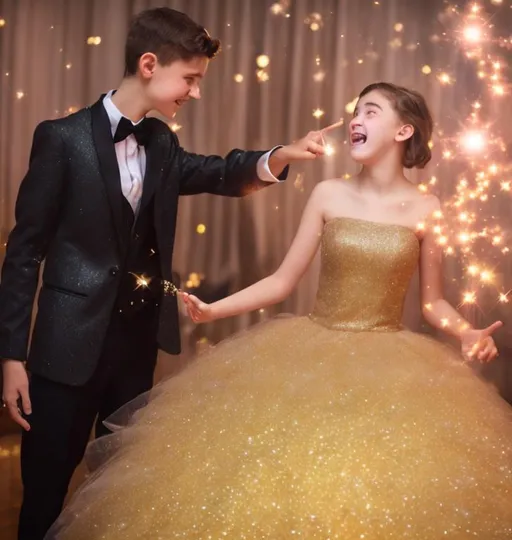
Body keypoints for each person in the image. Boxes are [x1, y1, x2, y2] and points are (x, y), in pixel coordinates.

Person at [46, 82, 512, 539]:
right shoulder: (329, 193)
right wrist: (213, 310)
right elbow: (282, 281)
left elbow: (433, 302)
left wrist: (466, 333)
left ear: (403, 132)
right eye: (355, 112)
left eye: (370, 112)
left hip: (391, 370)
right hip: (313, 355)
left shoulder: (427, 207)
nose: (355, 120)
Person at [0, 7, 336, 540]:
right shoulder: (60, 139)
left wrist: (281, 155)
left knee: (114, 498)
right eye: (191, 79)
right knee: (43, 496)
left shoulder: (163, 143)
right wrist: (11, 356)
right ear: (150, 64)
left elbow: (221, 171)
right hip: (62, 355)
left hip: (136, 353)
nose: (195, 93)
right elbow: (23, 253)